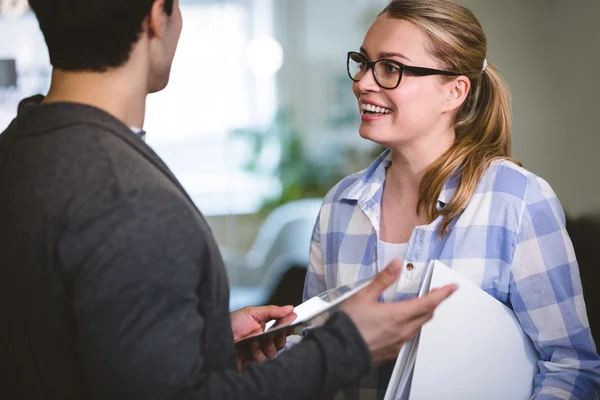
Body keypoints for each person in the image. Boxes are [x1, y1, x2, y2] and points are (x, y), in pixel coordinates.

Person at [0, 0, 459, 399]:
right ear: (158, 14)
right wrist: (345, 347)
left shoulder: (18, 148)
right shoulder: (129, 198)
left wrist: (205, 345)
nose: (365, 82)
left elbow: (69, 343)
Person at [303, 0, 600, 399]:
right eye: (363, 61)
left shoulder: (518, 201)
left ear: (454, 92)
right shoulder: (338, 207)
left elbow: (571, 368)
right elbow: (310, 351)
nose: (362, 82)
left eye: (391, 67)